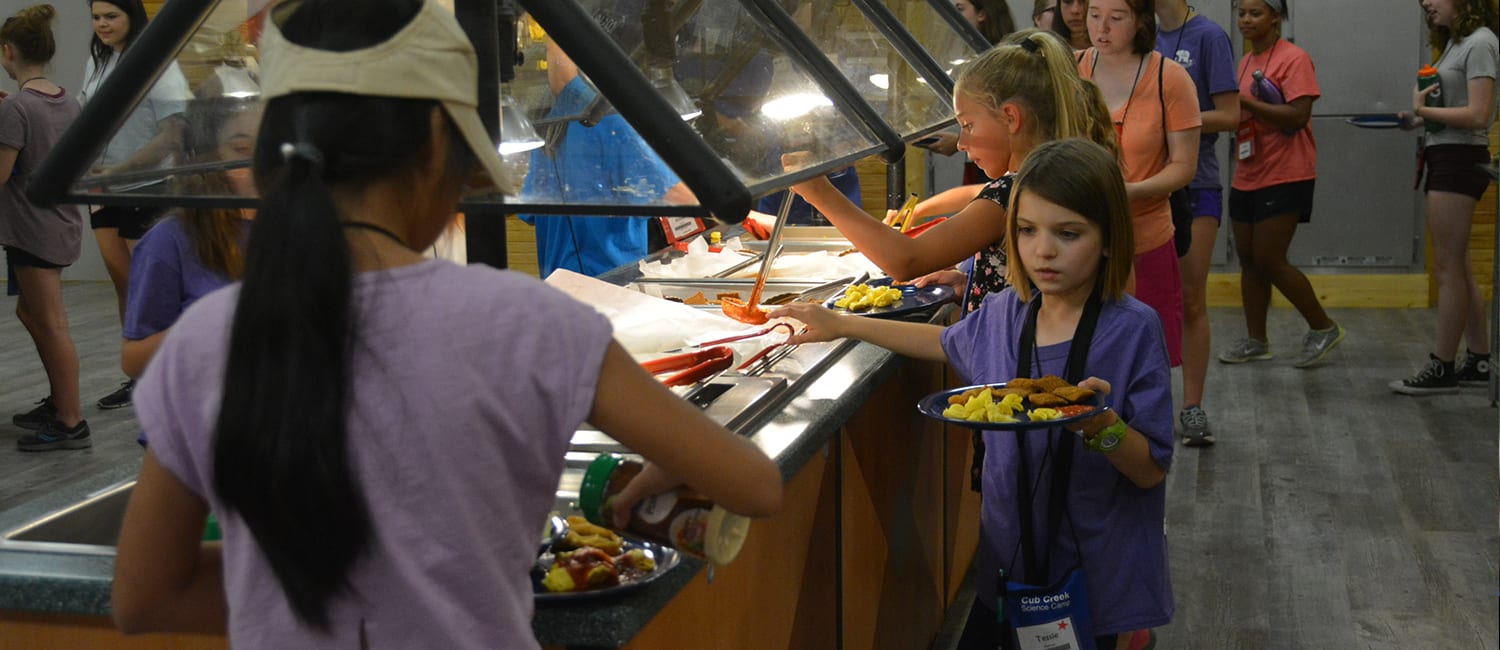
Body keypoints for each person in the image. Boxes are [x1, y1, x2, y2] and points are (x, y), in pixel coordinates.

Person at [110, 1, 782, 645]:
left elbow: (145, 596)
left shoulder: (204, 339)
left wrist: (309, 595)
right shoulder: (534, 325)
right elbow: (755, 485)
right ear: (439, 148)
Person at [771, 138, 1173, 649]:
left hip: (1098, 572)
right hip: (1009, 561)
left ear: (1110, 239)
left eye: (1067, 234)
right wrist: (842, 323)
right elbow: (944, 341)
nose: (1042, 250)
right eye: (1026, 231)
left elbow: (1149, 469)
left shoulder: (1134, 331)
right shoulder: (1008, 313)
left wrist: (1100, 424)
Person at [790, 29, 1115, 315]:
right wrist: (972, 282)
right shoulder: (1049, 176)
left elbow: (906, 260)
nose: (961, 143)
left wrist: (820, 193)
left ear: (1011, 118)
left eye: (968, 125)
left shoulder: (1012, 193)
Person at [1216, 0, 1344, 368]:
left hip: (1287, 173)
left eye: (1255, 13)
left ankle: (1323, 327)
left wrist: (1246, 104)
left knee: (1271, 259)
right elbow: (1240, 111)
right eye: (1241, 13)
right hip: (1248, 171)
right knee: (1249, 261)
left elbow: (1298, 116)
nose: (1246, 20)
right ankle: (1257, 340)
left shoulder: (1294, 58)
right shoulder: (1244, 63)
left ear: (1276, 16)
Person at [80, 0, 192, 410]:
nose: (102, 25)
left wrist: (119, 171)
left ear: (132, 16)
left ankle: (167, 372)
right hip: (105, 189)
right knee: (125, 284)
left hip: (147, 187)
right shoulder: (100, 61)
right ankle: (140, 373)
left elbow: (171, 135)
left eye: (111, 16)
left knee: (151, 287)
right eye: (96, 17)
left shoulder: (158, 62)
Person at [1078, 0, 1201, 370]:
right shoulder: (1071, 68)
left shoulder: (1170, 77)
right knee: (1087, 358)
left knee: (1146, 360)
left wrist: (1131, 191)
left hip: (1146, 237)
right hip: (1082, 240)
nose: (1102, 28)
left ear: (1141, 21)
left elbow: (1183, 167)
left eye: (1116, 18)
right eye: (1094, 14)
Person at [1390, 0, 1497, 394]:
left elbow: (1479, 114)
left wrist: (1427, 113)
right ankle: (1480, 360)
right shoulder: (1456, 43)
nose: (1426, 3)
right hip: (1445, 153)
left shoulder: (1481, 43)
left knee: (1448, 269)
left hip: (1459, 158)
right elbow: (1453, 107)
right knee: (1461, 266)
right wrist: (1417, 117)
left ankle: (1443, 367)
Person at [518, 41, 694, 278]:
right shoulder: (609, 121)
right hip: (607, 281)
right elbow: (675, 193)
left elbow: (530, 214)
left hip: (558, 281)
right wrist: (744, 214)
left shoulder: (547, 132)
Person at [121, 96, 260, 385]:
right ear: (205, 159)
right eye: (242, 149)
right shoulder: (169, 240)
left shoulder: (298, 228)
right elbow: (134, 361)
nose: (261, 162)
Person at [1, 3, 89, 450]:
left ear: (7, 52)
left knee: (51, 323)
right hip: (58, 224)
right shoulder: (65, 100)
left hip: (32, 230)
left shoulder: (17, 108)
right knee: (29, 313)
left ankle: (71, 421)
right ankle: (59, 401)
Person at [1155, 0, 1239, 445]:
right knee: (1140, 301)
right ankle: (1146, 403)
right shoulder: (1136, 34)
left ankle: (1192, 408)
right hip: (1146, 184)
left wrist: (1174, 120)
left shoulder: (1209, 36)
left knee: (1191, 299)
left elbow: (1231, 114)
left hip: (1197, 183)